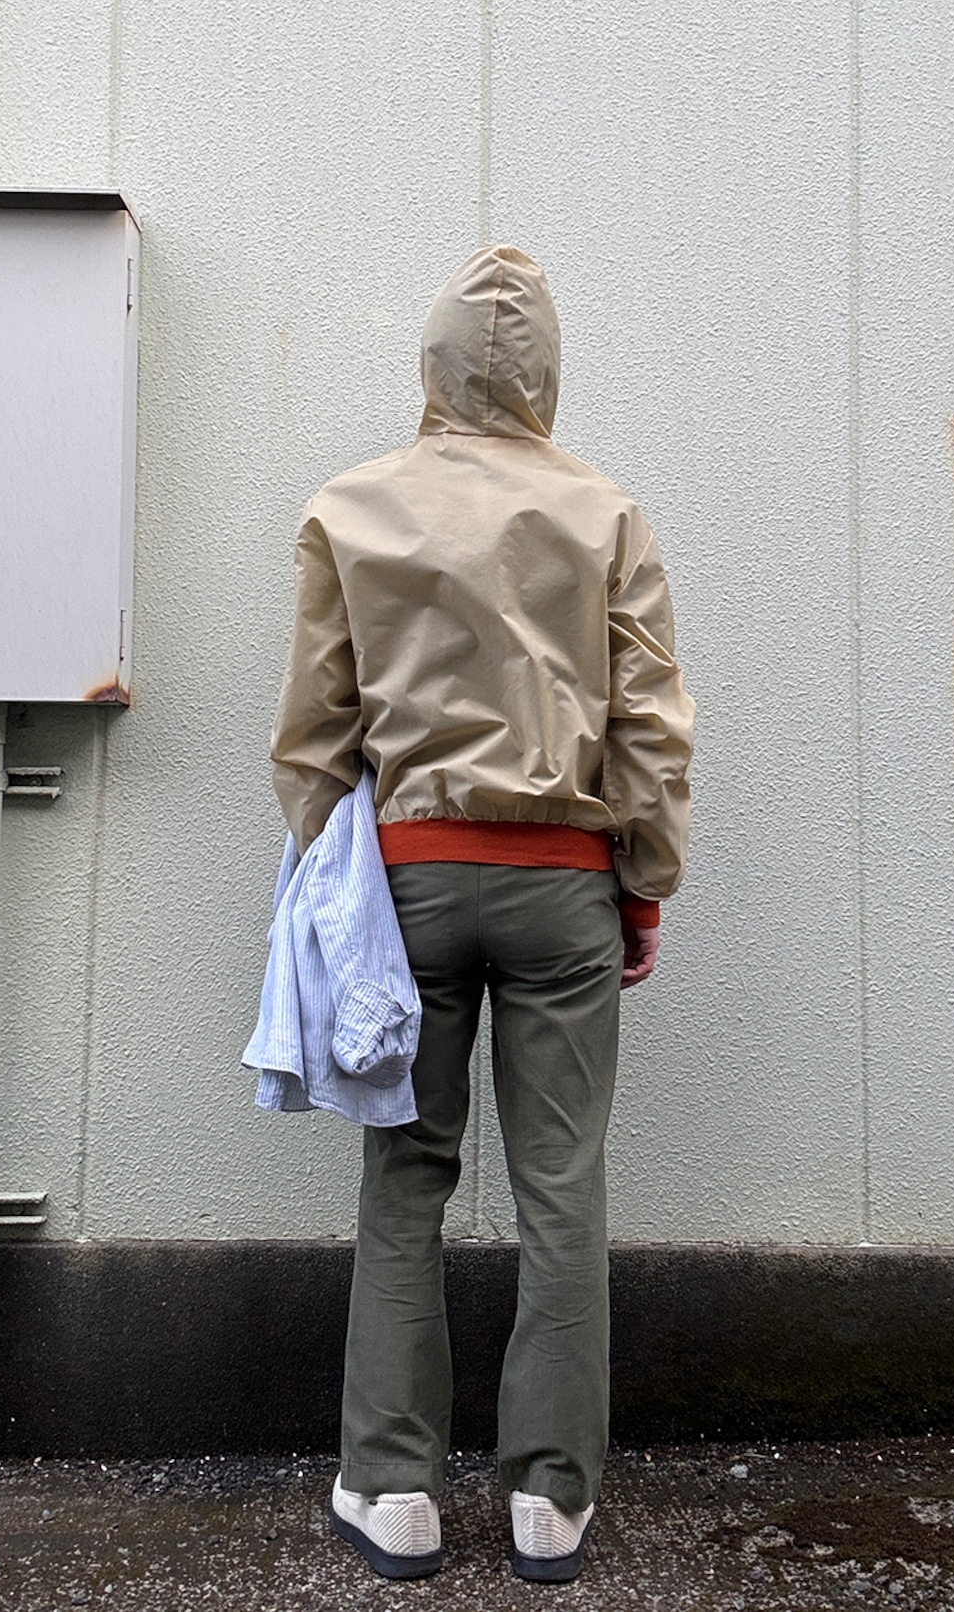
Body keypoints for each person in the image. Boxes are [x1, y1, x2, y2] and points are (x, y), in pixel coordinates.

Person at [270, 245, 694, 1582]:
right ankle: (550, 1503)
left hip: (410, 879)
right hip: (567, 882)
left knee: (408, 1173)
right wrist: (642, 882)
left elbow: (314, 735)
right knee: (562, 1184)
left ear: (435, 365)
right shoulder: (604, 512)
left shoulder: (351, 507)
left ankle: (392, 1488)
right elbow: (650, 725)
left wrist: (334, 885)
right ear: (546, 373)